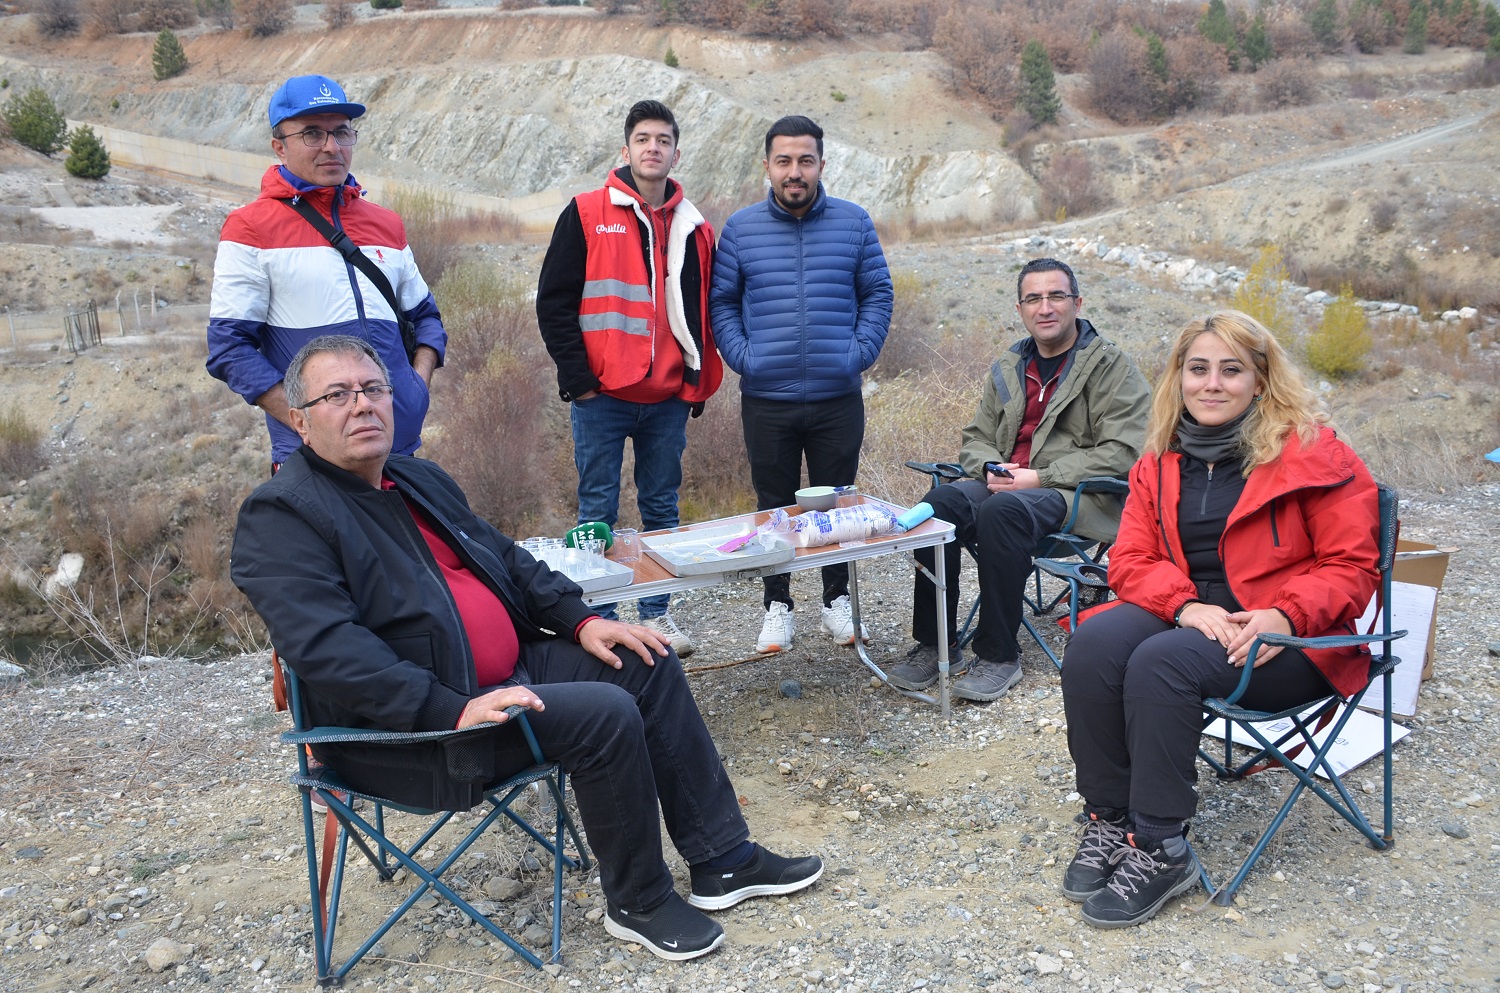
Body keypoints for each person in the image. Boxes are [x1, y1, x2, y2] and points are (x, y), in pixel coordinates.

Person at [231, 335, 822, 961]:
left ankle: (722, 861)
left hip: (502, 676)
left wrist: (579, 621)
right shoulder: (283, 515)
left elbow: (509, 561)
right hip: (416, 732)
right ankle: (640, 902)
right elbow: (329, 649)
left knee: (646, 660)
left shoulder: (415, 478)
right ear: (299, 420)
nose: (362, 405)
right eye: (338, 395)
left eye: (373, 389)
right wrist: (444, 710)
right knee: (604, 711)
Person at [1059, 311, 1380, 929]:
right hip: (1194, 616)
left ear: (1260, 380)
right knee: (1095, 643)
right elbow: (1130, 559)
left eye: (1231, 370)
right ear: (1178, 378)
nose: (1212, 384)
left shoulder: (1314, 454)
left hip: (1291, 640)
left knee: (1161, 662)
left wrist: (1284, 613)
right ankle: (1109, 819)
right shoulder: (1160, 460)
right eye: (1197, 369)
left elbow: (1352, 566)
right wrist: (1184, 606)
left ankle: (1161, 846)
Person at [886, 258, 1150, 702]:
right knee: (942, 502)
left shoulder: (1111, 367)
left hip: (1076, 496)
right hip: (1006, 486)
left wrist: (1039, 476)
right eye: (1033, 299)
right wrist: (993, 468)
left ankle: (999, 655)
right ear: (1021, 308)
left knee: (1002, 510)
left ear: (1077, 302)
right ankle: (935, 643)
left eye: (1056, 296)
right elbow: (976, 438)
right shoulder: (1010, 365)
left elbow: (1121, 453)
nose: (1044, 307)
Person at [537, 99, 722, 658]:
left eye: (662, 140)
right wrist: (579, 380)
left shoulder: (693, 224)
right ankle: (603, 622)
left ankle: (658, 618)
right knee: (597, 510)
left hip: (665, 396)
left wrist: (694, 381)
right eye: (643, 139)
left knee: (662, 509)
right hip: (603, 397)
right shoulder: (587, 210)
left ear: (675, 152)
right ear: (626, 150)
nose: (652, 148)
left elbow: (702, 309)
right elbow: (554, 301)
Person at [710, 115, 894, 655]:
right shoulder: (741, 229)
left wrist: (856, 355)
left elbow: (878, 293)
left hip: (838, 397)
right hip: (767, 398)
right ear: (767, 165)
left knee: (838, 507)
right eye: (784, 161)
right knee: (773, 506)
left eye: (805, 160)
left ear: (821, 164)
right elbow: (722, 302)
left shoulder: (854, 223)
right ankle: (777, 607)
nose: (795, 171)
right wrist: (747, 359)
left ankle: (837, 600)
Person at [207, 74, 445, 468]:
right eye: (313, 134)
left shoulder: (386, 224)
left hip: (400, 453)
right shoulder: (250, 228)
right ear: (278, 147)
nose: (332, 147)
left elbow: (426, 318)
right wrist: (309, 427)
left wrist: (415, 388)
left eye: (341, 132)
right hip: (314, 464)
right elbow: (229, 349)